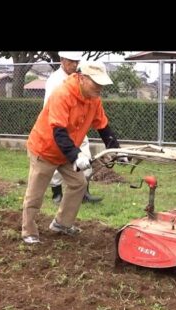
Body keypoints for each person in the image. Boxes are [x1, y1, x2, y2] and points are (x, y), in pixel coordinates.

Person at [21, 61, 123, 244]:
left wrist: (116, 149)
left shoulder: (93, 99)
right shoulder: (63, 94)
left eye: (102, 83)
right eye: (96, 83)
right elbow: (58, 131)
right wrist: (76, 155)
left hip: (67, 150)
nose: (100, 87)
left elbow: (103, 126)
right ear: (82, 78)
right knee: (36, 192)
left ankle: (62, 223)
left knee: (78, 184)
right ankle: (28, 230)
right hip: (45, 149)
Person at [44, 51, 102, 204]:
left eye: (77, 62)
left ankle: (84, 192)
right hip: (61, 130)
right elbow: (49, 110)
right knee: (58, 163)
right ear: (62, 60)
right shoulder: (55, 81)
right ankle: (56, 193)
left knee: (85, 159)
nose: (75, 65)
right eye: (71, 61)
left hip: (79, 129)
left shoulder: (80, 78)